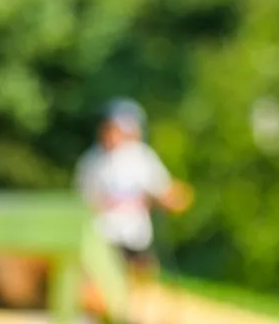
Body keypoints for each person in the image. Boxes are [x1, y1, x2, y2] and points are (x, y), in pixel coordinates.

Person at [74, 99, 192, 274]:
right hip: (104, 238)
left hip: (136, 238)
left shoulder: (141, 157)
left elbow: (165, 192)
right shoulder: (91, 162)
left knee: (142, 283)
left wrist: (168, 199)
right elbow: (82, 203)